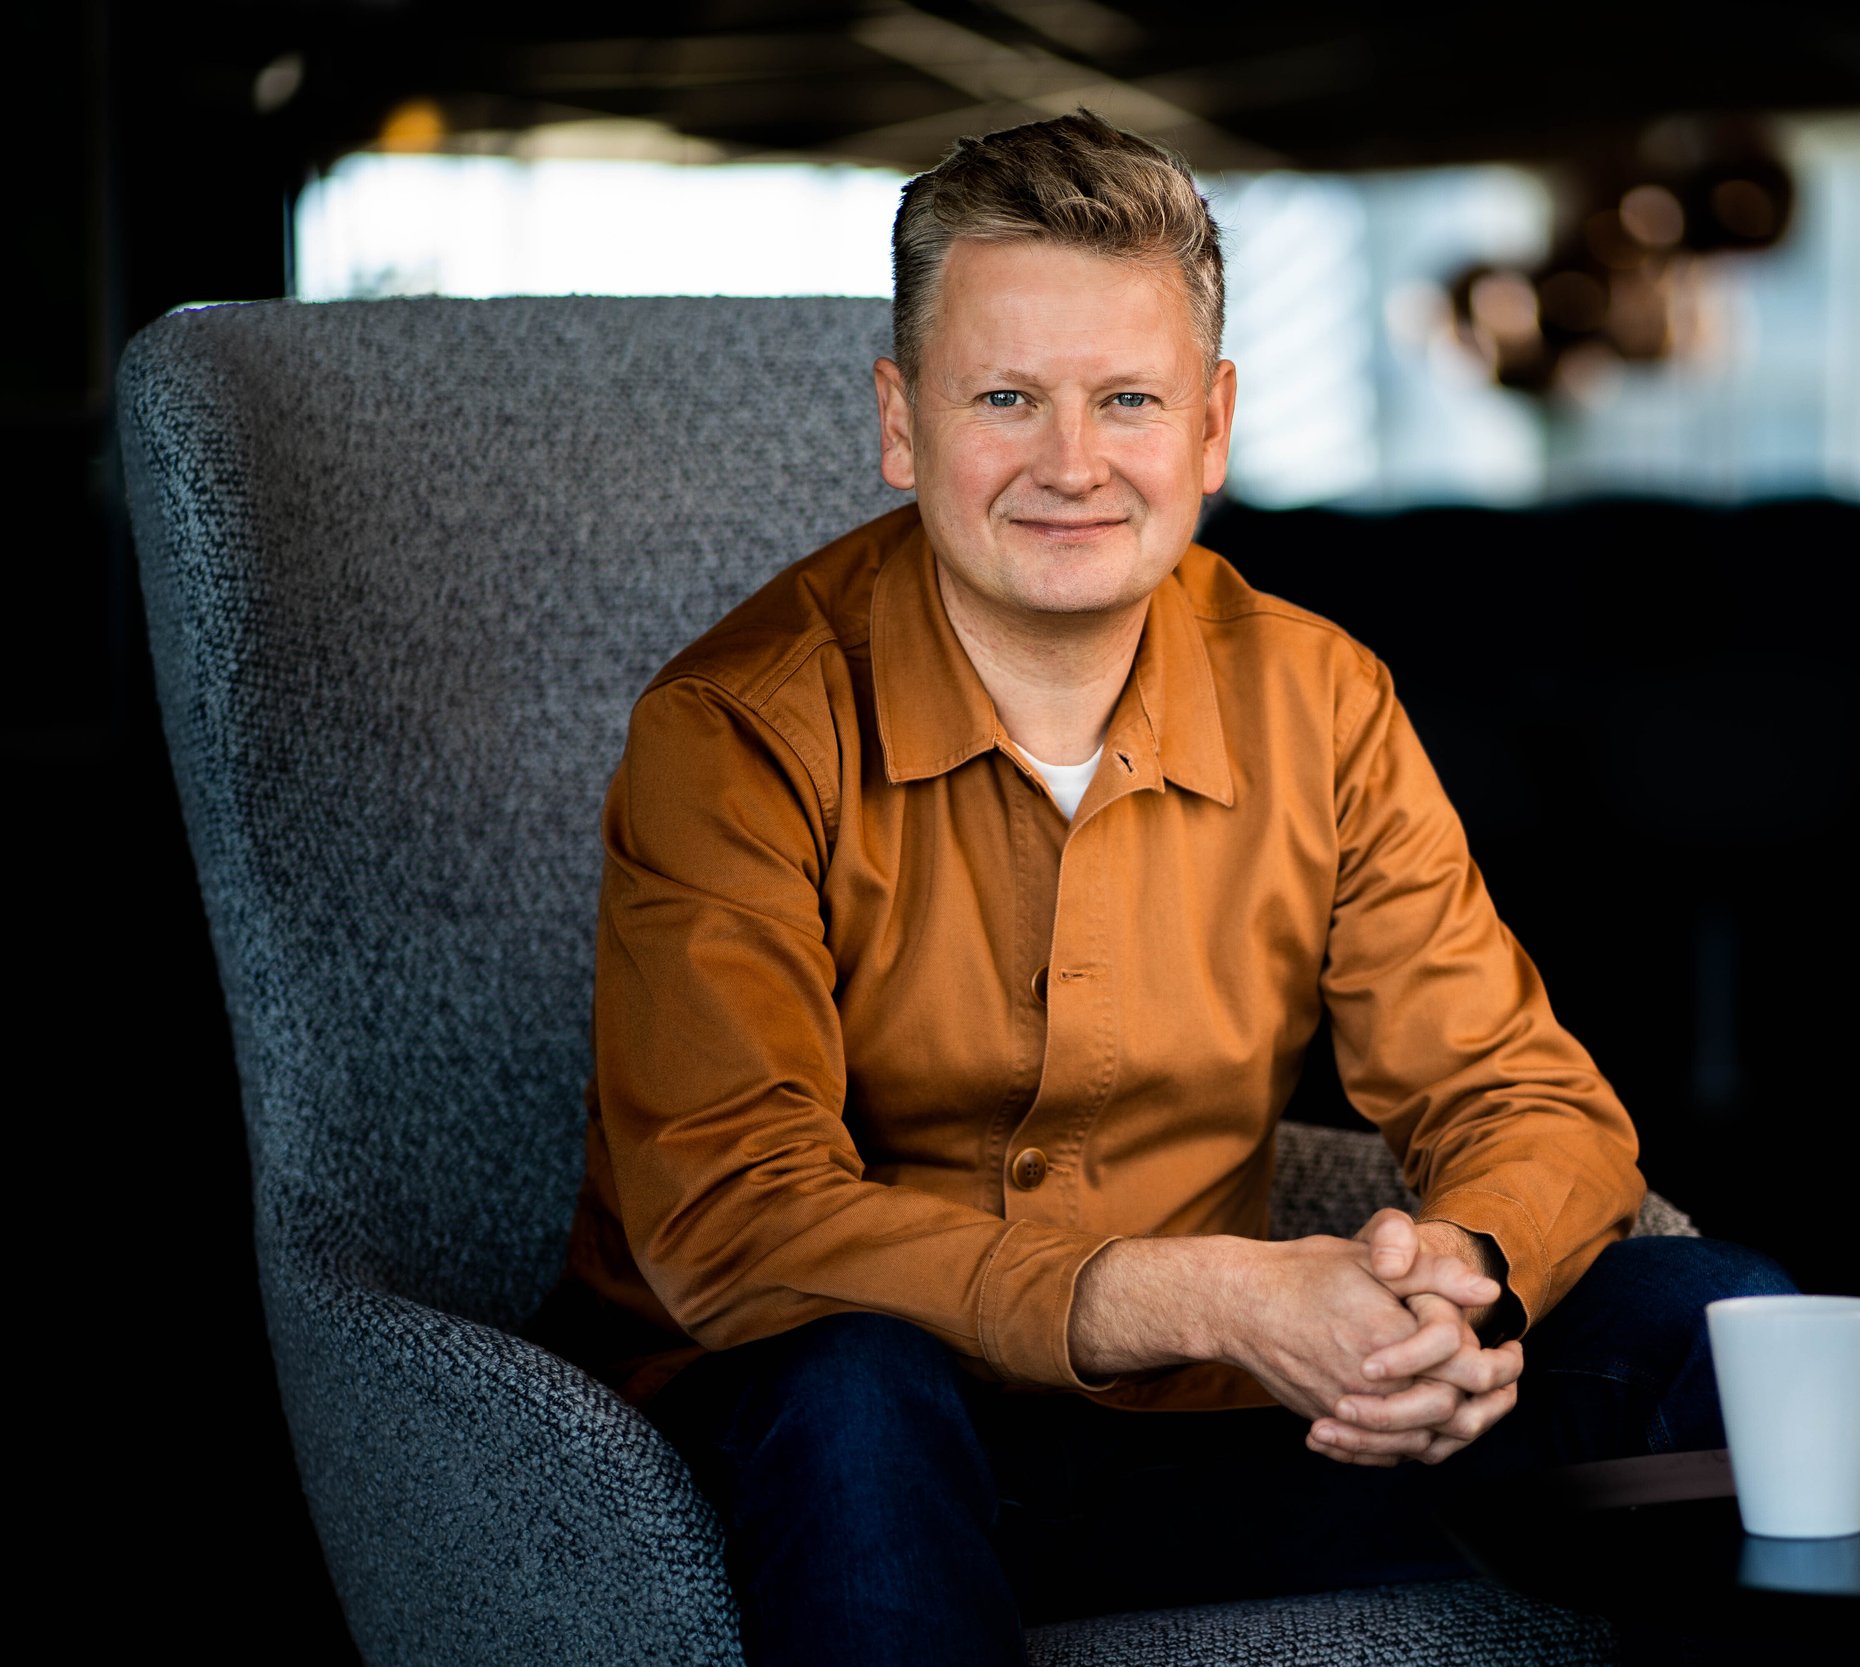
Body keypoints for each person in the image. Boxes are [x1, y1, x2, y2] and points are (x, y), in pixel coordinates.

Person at [538, 109, 1795, 1666]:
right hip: (827, 1455)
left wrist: (1460, 1289)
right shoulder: (730, 730)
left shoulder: (1319, 698)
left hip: (1223, 1443)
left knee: (1723, 1320)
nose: (1073, 466)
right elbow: (734, 1219)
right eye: (1006, 398)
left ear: (1210, 431)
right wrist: (1204, 1296)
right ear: (901, 423)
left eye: (1127, 401)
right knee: (856, 1381)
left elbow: (1522, 1095)